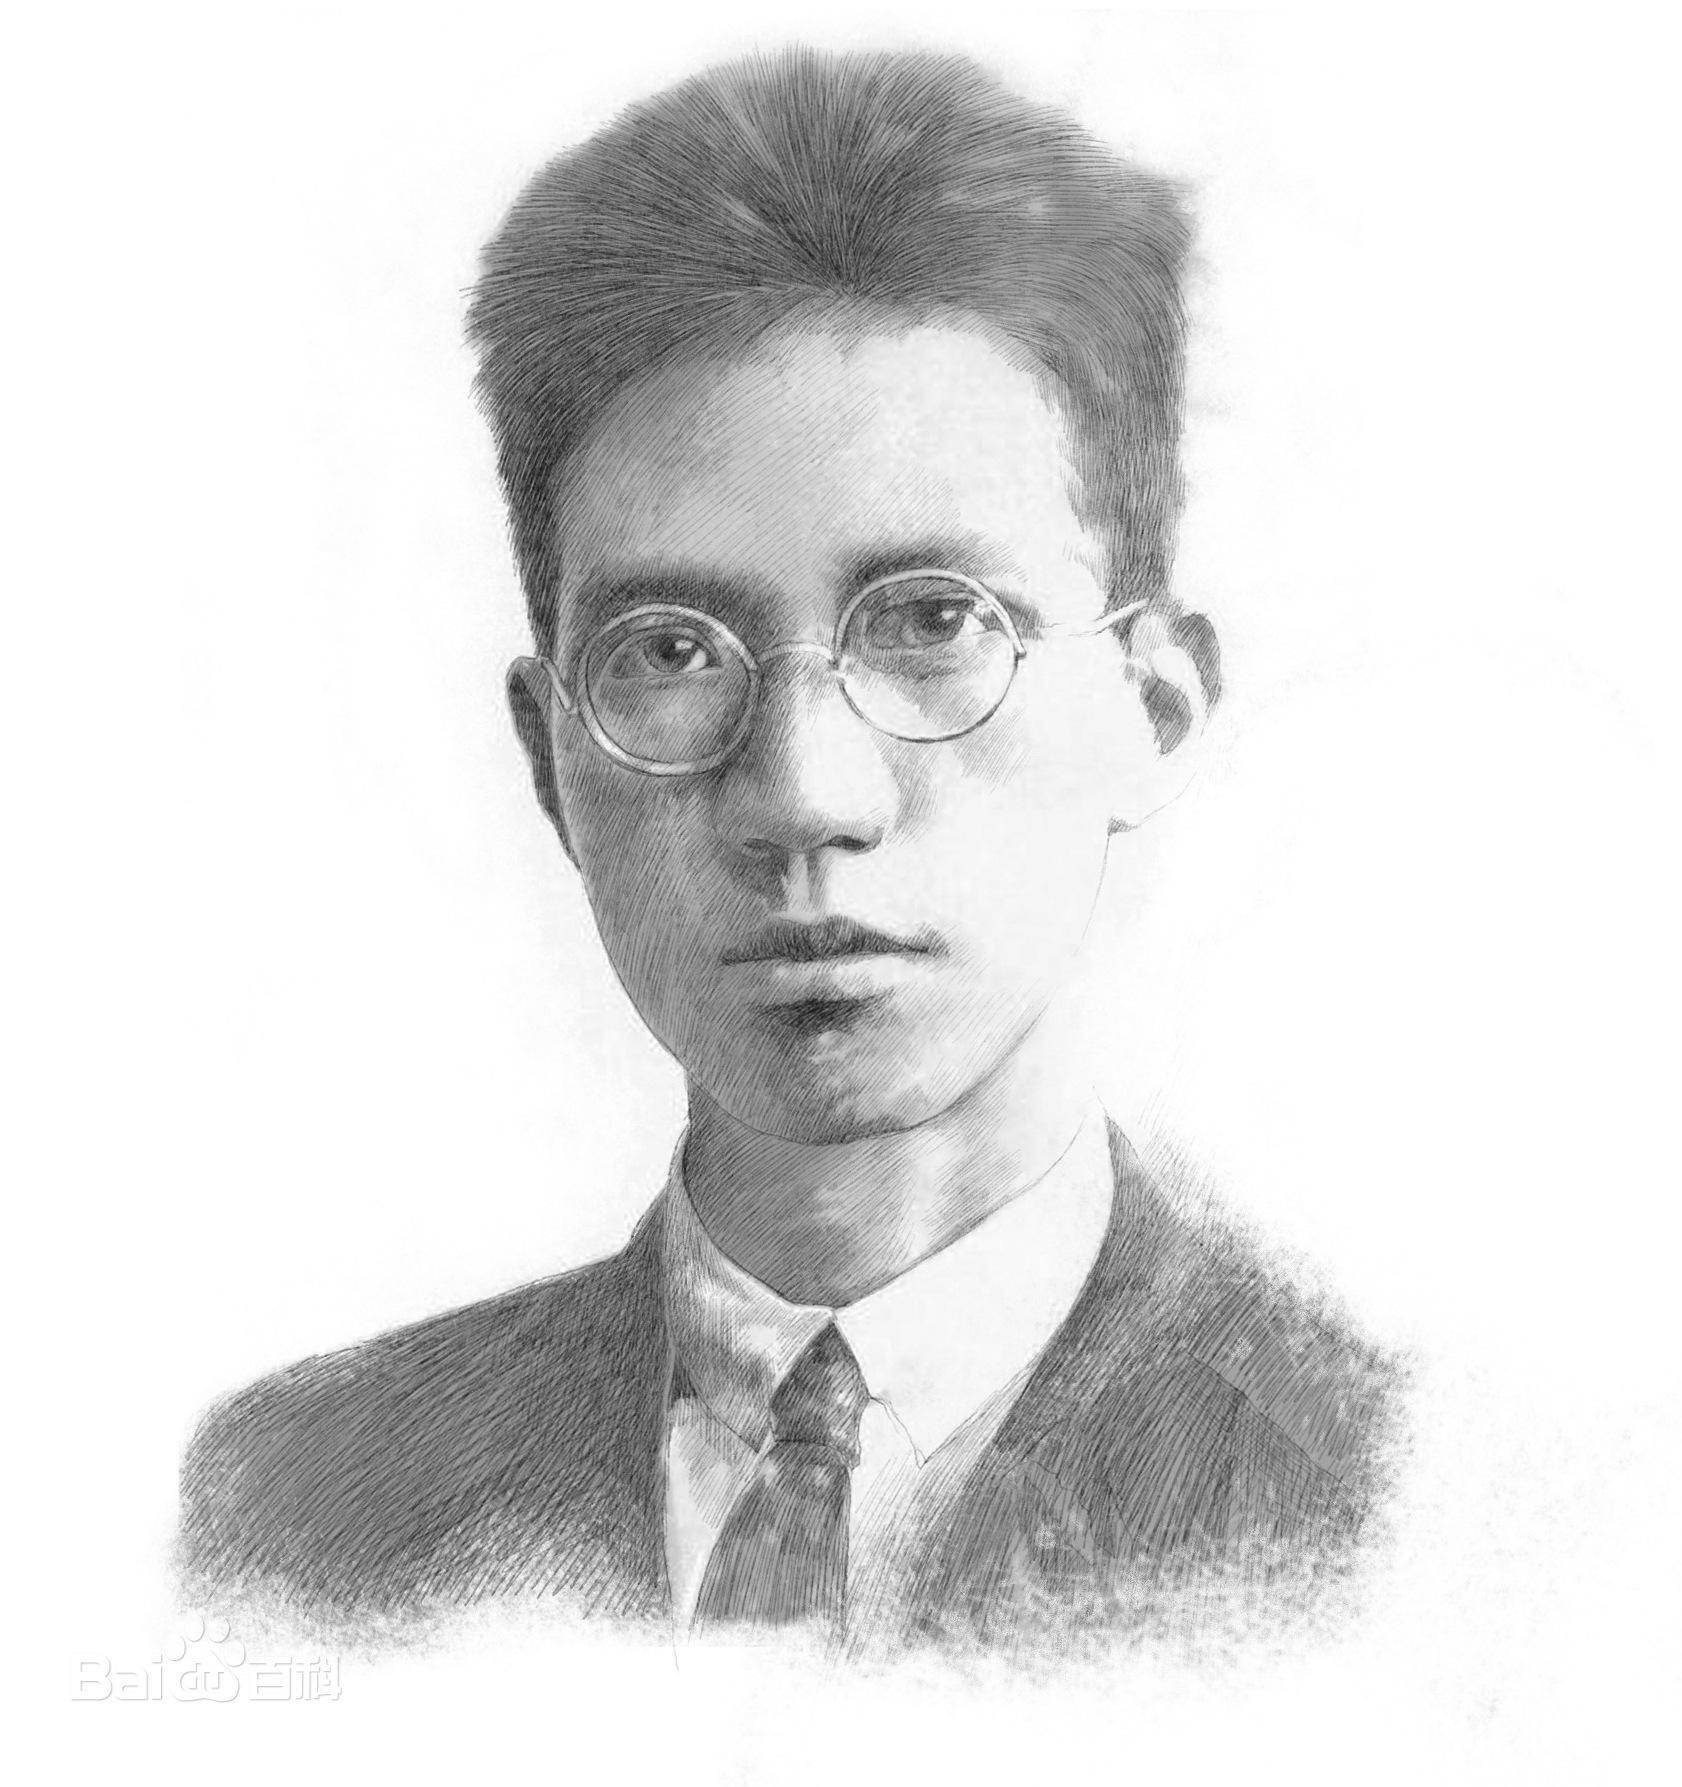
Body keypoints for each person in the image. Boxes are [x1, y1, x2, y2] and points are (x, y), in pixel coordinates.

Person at [179, 45, 1402, 1668]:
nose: (803, 795)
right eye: (669, 652)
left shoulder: (1424, 1522)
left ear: (1153, 706)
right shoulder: (290, 1512)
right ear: (549, 756)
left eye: (934, 623)